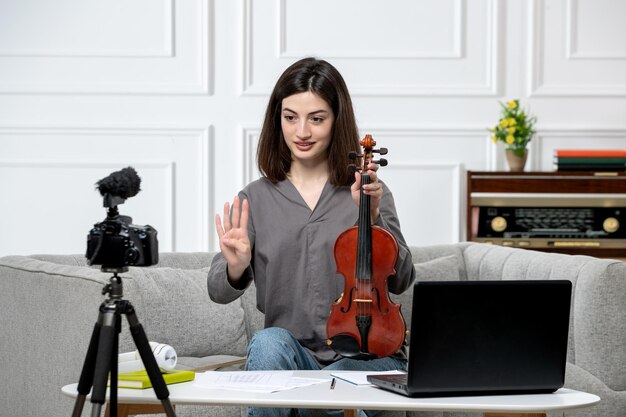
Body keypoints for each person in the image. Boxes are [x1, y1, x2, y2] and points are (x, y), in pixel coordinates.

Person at [207, 57, 416, 417]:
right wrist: (236, 267)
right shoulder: (255, 198)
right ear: (278, 120)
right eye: (290, 117)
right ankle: (315, 400)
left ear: (337, 121)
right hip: (293, 355)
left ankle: (308, 399)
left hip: (363, 358)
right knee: (269, 343)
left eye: (316, 118)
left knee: (340, 381)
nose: (301, 131)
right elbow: (217, 290)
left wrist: (373, 216)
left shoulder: (367, 190)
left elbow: (402, 279)